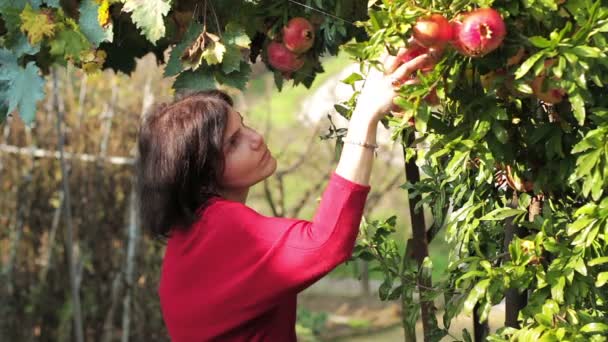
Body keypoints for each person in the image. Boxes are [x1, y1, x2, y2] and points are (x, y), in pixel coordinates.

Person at [136, 47, 437, 341]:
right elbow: (325, 242)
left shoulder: (191, 237)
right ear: (201, 173)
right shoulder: (219, 230)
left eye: (245, 126)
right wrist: (365, 116)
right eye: (233, 143)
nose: (256, 138)